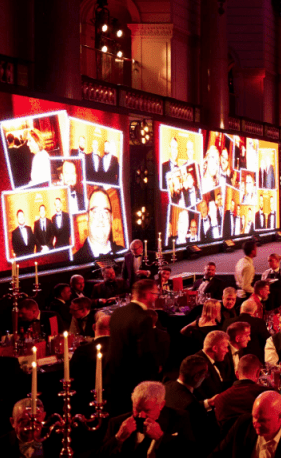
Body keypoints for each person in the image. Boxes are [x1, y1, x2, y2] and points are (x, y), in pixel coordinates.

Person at [107, 279, 164, 414]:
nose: (156, 297)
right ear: (147, 294)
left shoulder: (117, 312)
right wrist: (157, 368)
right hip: (133, 378)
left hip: (113, 375)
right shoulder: (143, 318)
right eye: (155, 294)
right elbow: (145, 352)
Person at [101, 381, 194, 457]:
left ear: (161, 405)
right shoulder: (116, 422)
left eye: (147, 410)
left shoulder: (179, 418)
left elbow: (189, 453)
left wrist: (160, 437)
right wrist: (118, 438)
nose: (141, 415)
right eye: (137, 409)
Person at [211, 391, 281, 458]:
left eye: (262, 420)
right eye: (254, 417)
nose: (256, 424)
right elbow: (218, 453)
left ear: (280, 416)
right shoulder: (243, 424)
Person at [209, 354, 272, 433]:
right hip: (259, 439)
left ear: (237, 374)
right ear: (258, 373)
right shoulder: (267, 395)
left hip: (229, 440)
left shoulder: (219, 400)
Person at [73, 188, 125, 262]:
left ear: (111, 218)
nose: (101, 218)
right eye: (95, 211)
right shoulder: (75, 262)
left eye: (105, 212)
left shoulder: (125, 255)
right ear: (87, 217)